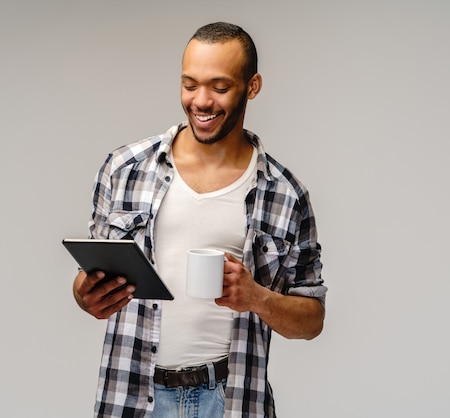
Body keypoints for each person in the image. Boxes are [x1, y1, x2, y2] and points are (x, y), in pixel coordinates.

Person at [72, 22, 327, 418]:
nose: (201, 101)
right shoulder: (124, 168)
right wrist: (85, 294)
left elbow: (311, 320)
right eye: (190, 85)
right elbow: (88, 280)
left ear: (252, 86)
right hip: (134, 395)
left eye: (219, 87)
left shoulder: (285, 193)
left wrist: (257, 297)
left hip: (229, 400)